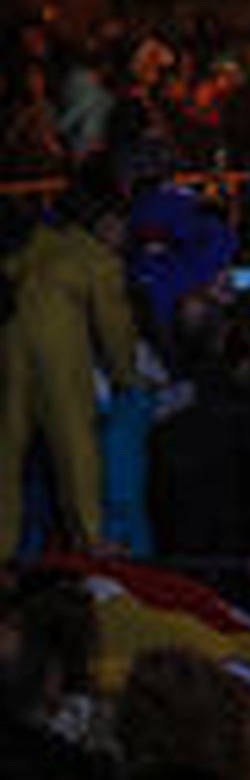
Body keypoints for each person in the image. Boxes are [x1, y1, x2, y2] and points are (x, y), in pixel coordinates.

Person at [0, 173, 137, 556]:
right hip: (59, 357)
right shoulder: (97, 260)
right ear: (106, 223)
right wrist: (126, 375)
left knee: (6, 452)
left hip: (9, 349)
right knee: (76, 444)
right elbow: (115, 327)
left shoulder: (30, 246)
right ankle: (90, 538)